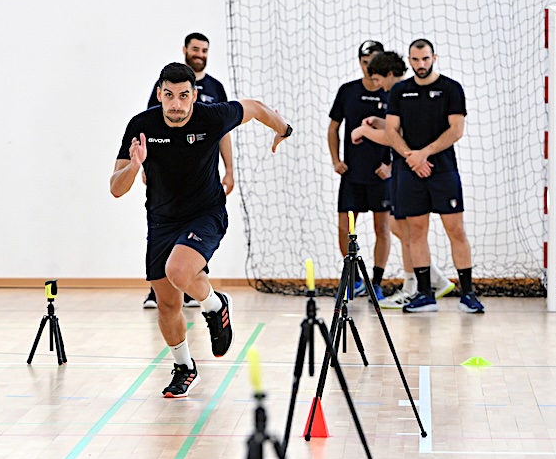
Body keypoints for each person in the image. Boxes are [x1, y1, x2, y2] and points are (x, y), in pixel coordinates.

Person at [111, 62, 292, 398]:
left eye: (183, 95)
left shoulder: (211, 117)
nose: (176, 104)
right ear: (159, 95)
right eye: (169, 95)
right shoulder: (141, 126)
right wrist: (135, 167)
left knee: (178, 271)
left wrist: (284, 130)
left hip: (205, 214)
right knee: (167, 305)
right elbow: (116, 188)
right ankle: (184, 366)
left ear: (194, 95)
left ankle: (212, 305)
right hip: (161, 221)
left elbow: (255, 108)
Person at [384, 39, 484, 313]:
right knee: (416, 231)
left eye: (425, 59)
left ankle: (468, 294)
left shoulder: (451, 89)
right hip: (410, 171)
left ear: (434, 57)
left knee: (456, 230)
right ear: (410, 60)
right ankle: (425, 294)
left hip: (443, 171)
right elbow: (392, 131)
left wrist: (424, 154)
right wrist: (411, 158)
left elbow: (456, 130)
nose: (421, 65)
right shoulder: (400, 91)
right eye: (415, 60)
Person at [350, 51, 456, 309]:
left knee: (407, 228)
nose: (376, 86)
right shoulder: (399, 93)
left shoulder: (402, 92)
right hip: (406, 167)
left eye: (377, 79)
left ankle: (417, 285)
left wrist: (366, 130)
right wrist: (378, 122)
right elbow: (396, 129)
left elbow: (393, 137)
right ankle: (429, 281)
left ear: (388, 75)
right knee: (402, 228)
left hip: (411, 168)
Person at [142, 33, 234, 309]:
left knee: (199, 230)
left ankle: (197, 289)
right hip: (166, 182)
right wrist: (144, 167)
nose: (200, 54)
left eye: (205, 50)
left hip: (202, 181)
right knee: (163, 230)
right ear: (185, 50)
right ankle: (158, 290)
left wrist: (230, 169)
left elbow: (224, 132)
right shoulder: (165, 89)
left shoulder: (215, 88)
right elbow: (150, 130)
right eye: (195, 49)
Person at [327, 40, 392, 300]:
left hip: (380, 175)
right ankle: (353, 280)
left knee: (382, 228)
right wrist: (335, 159)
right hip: (352, 174)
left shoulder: (391, 92)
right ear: (360, 62)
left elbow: (402, 132)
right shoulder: (348, 91)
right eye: (365, 63)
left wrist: (391, 166)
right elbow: (333, 128)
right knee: (345, 227)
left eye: (373, 63)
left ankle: (376, 282)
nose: (369, 68)